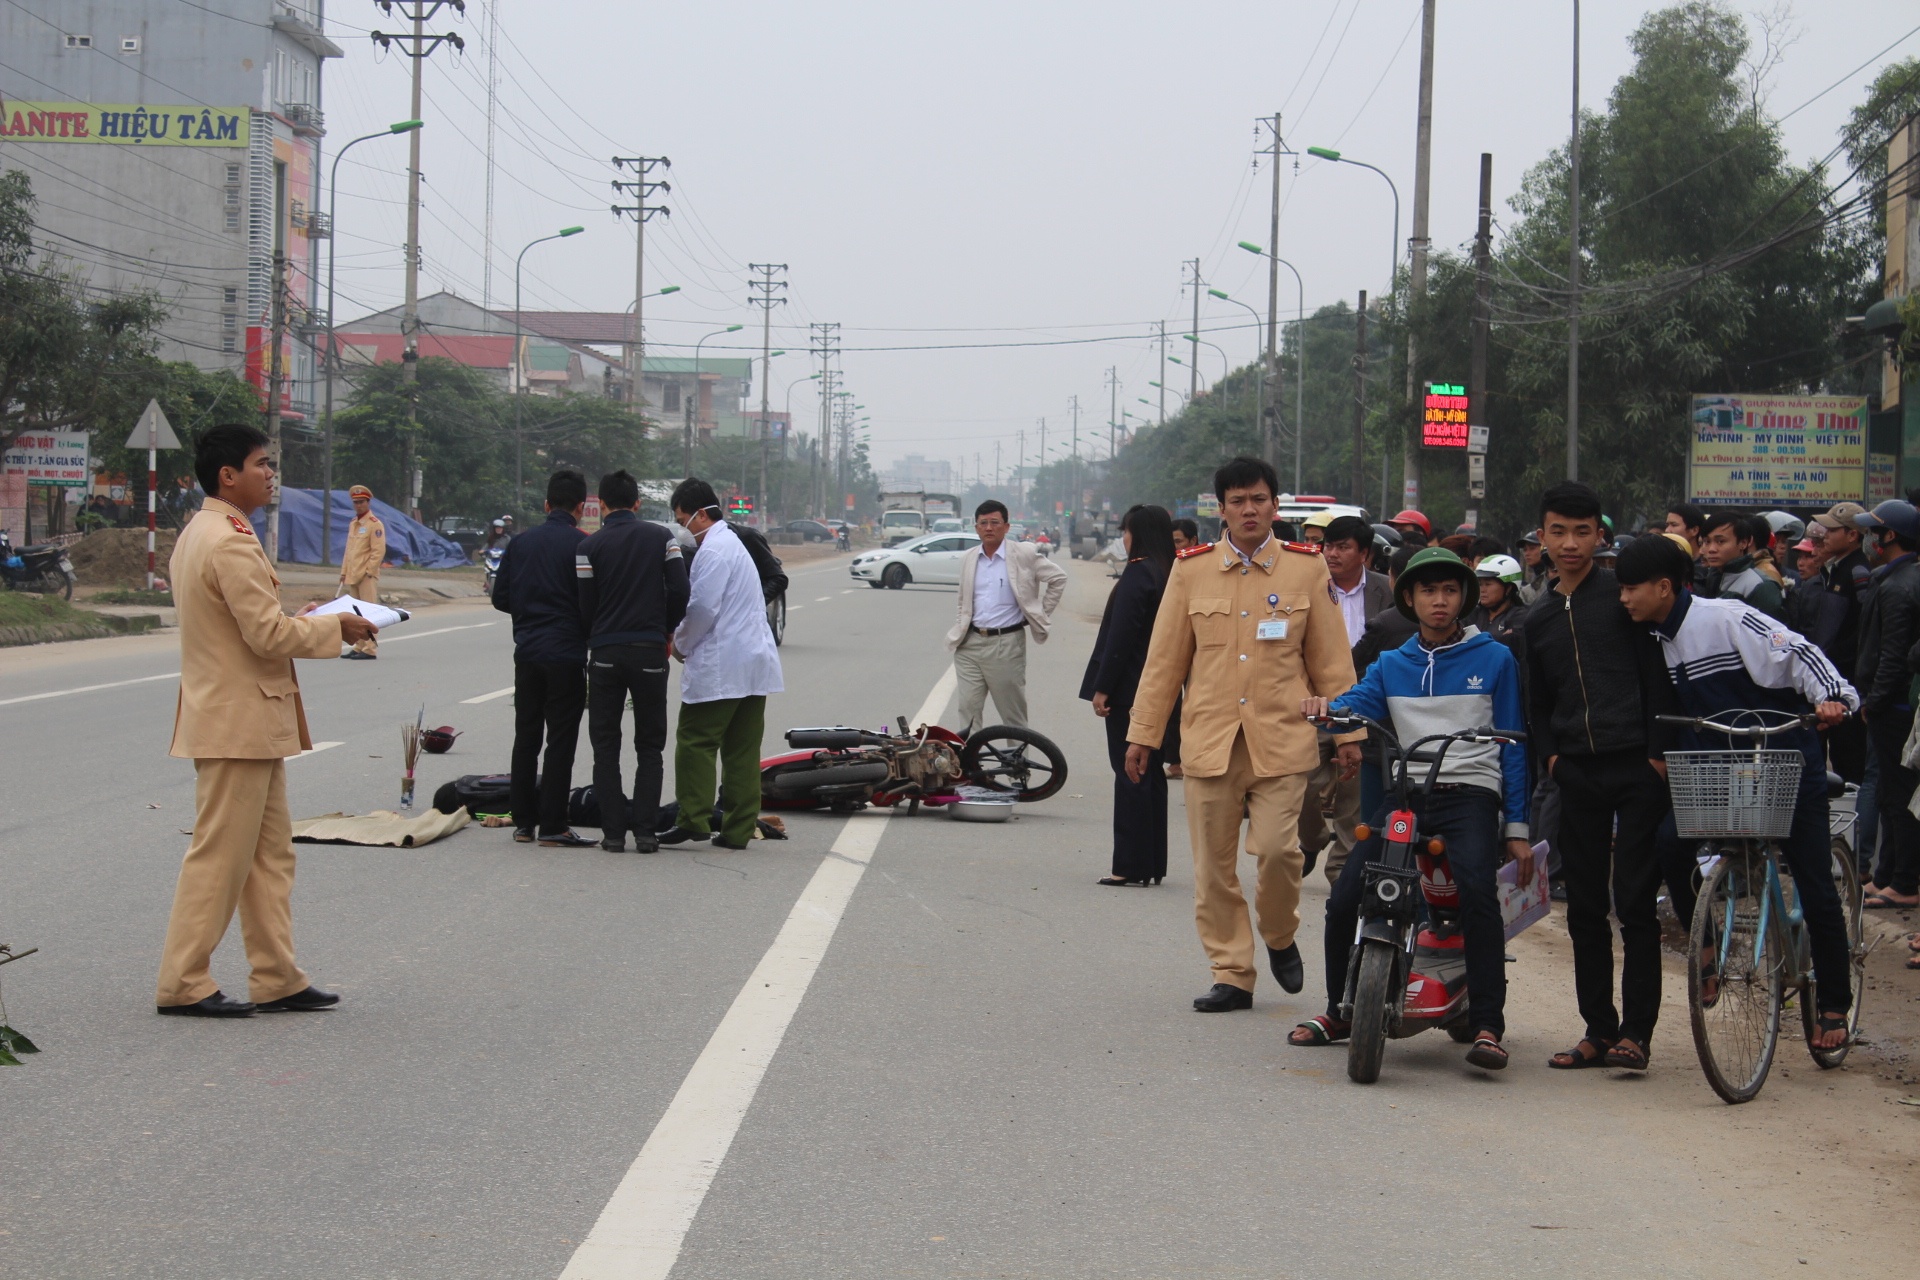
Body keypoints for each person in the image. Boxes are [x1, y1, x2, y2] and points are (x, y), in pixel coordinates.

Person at [1124, 456, 1359, 1012]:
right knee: (1213, 869)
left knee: (1280, 852)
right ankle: (1233, 972)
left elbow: (1332, 661)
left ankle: (1278, 934)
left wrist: (1348, 733)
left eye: (1258, 499)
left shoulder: (1307, 569)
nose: (1249, 509)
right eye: (1237, 501)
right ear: (1222, 509)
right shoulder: (1191, 569)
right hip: (1209, 740)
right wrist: (1144, 734)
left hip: (1281, 741)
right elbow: (1164, 663)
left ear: (1274, 506)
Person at [156, 424, 376, 1017]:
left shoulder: (204, 531)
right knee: (221, 856)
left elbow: (250, 623)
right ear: (229, 476)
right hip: (237, 720)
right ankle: (183, 981)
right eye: (261, 464)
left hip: (242, 717)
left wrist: (306, 617)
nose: (270, 474)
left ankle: (276, 975)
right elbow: (266, 634)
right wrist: (337, 627)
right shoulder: (228, 539)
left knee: (268, 855)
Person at [1292, 548, 1533, 1067]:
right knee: (1345, 896)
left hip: (1470, 795)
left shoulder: (1495, 658)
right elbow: (1349, 708)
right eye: (1428, 591)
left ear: (1464, 598)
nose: (1439, 601)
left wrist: (1516, 824)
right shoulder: (1391, 663)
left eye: (1449, 591)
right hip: (1406, 796)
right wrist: (1322, 708)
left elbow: (1514, 746)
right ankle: (1339, 1009)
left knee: (1476, 890)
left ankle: (1489, 1024)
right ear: (1410, 599)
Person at [1615, 534, 1857, 1049]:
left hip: (1785, 767)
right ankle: (1705, 945)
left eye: (1631, 588)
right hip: (1722, 777)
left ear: (1663, 587)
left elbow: (1800, 654)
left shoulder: (1725, 618)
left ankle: (1834, 1004)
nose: (1623, 599)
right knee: (1669, 845)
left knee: (1814, 882)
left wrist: (1835, 697)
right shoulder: (1654, 637)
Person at [1525, 481, 1677, 1072]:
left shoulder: (1623, 598)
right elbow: (1537, 702)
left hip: (1637, 765)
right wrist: (1553, 760)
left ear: (1599, 535)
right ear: (1542, 536)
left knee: (1635, 903)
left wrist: (1658, 755)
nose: (1569, 543)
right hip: (1577, 772)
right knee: (1584, 907)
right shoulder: (1538, 617)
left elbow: (1658, 676)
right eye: (1558, 531)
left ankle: (1637, 1031)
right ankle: (1597, 1029)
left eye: (1582, 532)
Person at [663, 478, 784, 850]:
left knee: (696, 741)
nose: (683, 528)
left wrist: (680, 643)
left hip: (724, 663)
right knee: (742, 750)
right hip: (752, 662)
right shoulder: (731, 542)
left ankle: (694, 818)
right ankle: (736, 829)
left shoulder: (713, 551)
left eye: (684, 519)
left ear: (700, 514)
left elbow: (701, 609)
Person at [577, 469, 689, 853]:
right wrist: (668, 629)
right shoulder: (662, 538)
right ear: (638, 503)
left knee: (605, 744)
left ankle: (612, 834)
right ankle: (644, 832)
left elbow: (585, 605)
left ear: (602, 505)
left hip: (605, 654)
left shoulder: (588, 548)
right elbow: (679, 588)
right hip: (649, 651)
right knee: (650, 745)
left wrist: (598, 636)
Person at [492, 471, 595, 848]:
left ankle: (523, 823)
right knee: (561, 741)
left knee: (527, 736)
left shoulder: (520, 543)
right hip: (567, 653)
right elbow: (591, 603)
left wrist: (528, 613)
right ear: (581, 508)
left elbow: (500, 597)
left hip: (529, 652)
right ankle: (553, 825)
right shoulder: (583, 545)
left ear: (546, 505)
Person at [1081, 504, 1176, 886]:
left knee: (1129, 771)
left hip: (1129, 690)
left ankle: (1129, 865)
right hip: (1159, 687)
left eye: (1126, 530)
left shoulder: (1139, 574)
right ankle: (1152, 862)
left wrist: (1103, 687)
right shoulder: (1168, 572)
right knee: (1150, 772)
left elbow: (1120, 639)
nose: (1123, 538)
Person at [1298, 514, 1390, 885]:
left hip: (1363, 706)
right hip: (1316, 704)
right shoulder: (1309, 587)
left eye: (1342, 547)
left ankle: (1341, 870)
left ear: (1364, 553)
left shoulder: (1385, 592)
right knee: (1301, 783)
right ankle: (1313, 837)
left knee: (1353, 794)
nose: (1331, 554)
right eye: (1328, 546)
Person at [946, 499, 1068, 733]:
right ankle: (971, 765)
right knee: (968, 710)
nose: (989, 528)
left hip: (1006, 645)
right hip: (969, 644)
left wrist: (1039, 613)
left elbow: (1058, 578)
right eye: (983, 523)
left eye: (994, 522)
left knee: (1012, 715)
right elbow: (964, 598)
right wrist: (961, 625)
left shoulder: (1023, 553)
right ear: (976, 527)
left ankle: (1018, 768)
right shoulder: (969, 557)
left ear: (1006, 526)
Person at [1854, 500, 1920, 908]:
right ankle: (1886, 877)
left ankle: (1904, 882)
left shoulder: (1899, 586)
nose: (1871, 539)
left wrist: (1874, 701)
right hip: (1891, 704)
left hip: (1893, 707)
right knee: (1890, 795)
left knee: (1897, 797)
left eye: (1875, 532)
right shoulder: (1896, 579)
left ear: (1889, 536)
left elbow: (1893, 655)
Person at [1699, 509, 1784, 619]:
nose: (1711, 549)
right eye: (1707, 541)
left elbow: (1770, 633)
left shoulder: (1761, 586)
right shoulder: (1713, 576)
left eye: (1720, 541)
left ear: (1743, 543)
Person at [338, 483, 385, 659]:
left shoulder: (375, 524)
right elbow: (349, 550)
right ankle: (359, 646)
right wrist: (344, 572)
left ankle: (370, 649)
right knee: (355, 613)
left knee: (368, 613)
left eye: (361, 502)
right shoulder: (353, 523)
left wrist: (369, 571)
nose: (358, 506)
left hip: (366, 575)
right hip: (352, 574)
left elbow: (378, 551)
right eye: (356, 502)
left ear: (368, 502)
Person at [1471, 553, 1526, 642]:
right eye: (1480, 584)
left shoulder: (1520, 618)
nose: (1482, 590)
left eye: (1488, 584)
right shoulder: (1474, 614)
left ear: (1508, 588)